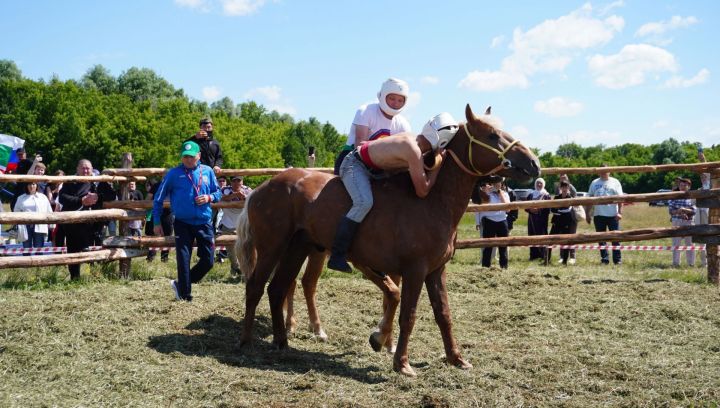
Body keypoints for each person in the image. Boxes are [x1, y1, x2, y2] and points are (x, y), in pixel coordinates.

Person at [327, 113, 458, 272]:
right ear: (442, 140)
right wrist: (437, 169)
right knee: (363, 202)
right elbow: (422, 190)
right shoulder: (414, 150)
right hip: (354, 165)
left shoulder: (414, 140)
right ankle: (337, 254)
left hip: (375, 170)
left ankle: (374, 257)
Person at [152, 141, 222, 301]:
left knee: (208, 261)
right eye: (185, 157)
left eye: (191, 156)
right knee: (183, 259)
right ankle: (185, 294)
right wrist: (157, 222)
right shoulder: (174, 174)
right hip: (182, 223)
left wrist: (209, 197)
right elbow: (158, 198)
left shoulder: (208, 171)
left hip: (204, 222)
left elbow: (218, 193)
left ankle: (182, 283)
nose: (188, 160)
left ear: (199, 156)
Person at [333, 78, 412, 175]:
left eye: (400, 100)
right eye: (392, 98)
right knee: (364, 191)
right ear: (382, 96)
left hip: (383, 166)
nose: (396, 103)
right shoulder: (366, 111)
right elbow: (359, 145)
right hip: (353, 160)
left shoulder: (403, 124)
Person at [58, 159, 117, 280]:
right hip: (73, 224)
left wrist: (98, 196)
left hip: (94, 225)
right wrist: (81, 201)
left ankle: (97, 275)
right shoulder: (70, 182)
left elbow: (112, 195)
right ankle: (75, 278)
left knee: (94, 249)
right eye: (83, 168)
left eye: (88, 168)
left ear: (92, 169)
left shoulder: (98, 182)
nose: (86, 171)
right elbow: (62, 198)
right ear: (77, 169)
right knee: (73, 250)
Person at [586, 165, 624, 265]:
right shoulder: (594, 183)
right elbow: (589, 199)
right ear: (598, 172)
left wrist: (619, 212)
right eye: (601, 171)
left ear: (609, 171)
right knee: (601, 239)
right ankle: (605, 259)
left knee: (615, 238)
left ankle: (617, 259)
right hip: (598, 215)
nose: (604, 172)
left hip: (613, 215)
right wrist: (587, 214)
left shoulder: (615, 182)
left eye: (606, 171)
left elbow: (621, 199)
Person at [217, 176, 253, 275]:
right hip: (227, 224)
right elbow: (219, 197)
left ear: (242, 181)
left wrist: (244, 197)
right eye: (234, 180)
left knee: (245, 250)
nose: (237, 183)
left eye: (239, 180)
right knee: (231, 252)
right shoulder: (225, 189)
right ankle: (236, 268)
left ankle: (243, 271)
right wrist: (235, 195)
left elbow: (252, 200)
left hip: (243, 225)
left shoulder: (247, 189)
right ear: (231, 182)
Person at [477, 178, 510, 269]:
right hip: (489, 221)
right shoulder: (487, 194)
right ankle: (485, 268)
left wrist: (500, 194)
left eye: (498, 183)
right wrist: (486, 192)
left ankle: (504, 267)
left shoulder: (505, 194)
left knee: (503, 246)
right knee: (487, 247)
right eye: (494, 183)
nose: (496, 185)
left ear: (501, 184)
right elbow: (481, 204)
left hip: (502, 221)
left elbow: (507, 209)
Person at [13, 182, 53, 252]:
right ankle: (26, 263)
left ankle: (38, 262)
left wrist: (52, 224)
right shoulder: (20, 198)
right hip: (25, 226)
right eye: (29, 184)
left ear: (37, 186)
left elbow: (49, 211)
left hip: (39, 225)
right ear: (26, 186)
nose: (31, 186)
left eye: (34, 184)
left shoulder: (43, 197)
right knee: (26, 249)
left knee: (39, 248)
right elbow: (15, 212)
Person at [668, 176, 696, 267]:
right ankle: (676, 263)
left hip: (689, 222)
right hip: (677, 221)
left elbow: (694, 211)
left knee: (690, 243)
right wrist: (679, 212)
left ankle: (691, 263)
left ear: (689, 187)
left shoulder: (692, 197)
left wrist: (684, 210)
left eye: (685, 185)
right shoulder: (674, 196)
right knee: (676, 243)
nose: (682, 187)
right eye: (681, 185)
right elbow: (671, 211)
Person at [548, 181, 577, 265]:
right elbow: (552, 210)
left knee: (565, 242)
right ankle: (547, 260)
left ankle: (564, 261)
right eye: (563, 187)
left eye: (566, 187)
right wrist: (561, 210)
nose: (564, 189)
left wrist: (559, 209)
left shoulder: (570, 198)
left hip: (567, 223)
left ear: (568, 188)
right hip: (556, 222)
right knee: (549, 240)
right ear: (560, 188)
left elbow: (568, 210)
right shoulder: (556, 197)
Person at [145, 178, 173, 263]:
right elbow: (148, 199)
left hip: (168, 214)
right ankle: (150, 257)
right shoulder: (156, 185)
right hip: (156, 213)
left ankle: (164, 258)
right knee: (153, 235)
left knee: (167, 236)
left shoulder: (173, 186)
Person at [525, 177, 551, 262]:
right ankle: (533, 255)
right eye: (537, 183)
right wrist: (530, 210)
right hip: (532, 219)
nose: (539, 184)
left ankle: (543, 255)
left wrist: (539, 210)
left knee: (542, 236)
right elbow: (525, 207)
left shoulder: (546, 195)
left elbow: (548, 209)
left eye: (541, 183)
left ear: (543, 184)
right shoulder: (531, 195)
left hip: (542, 220)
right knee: (532, 236)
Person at [696, 148, 710, 267]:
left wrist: (701, 156)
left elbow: (704, 167)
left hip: (712, 214)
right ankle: (704, 262)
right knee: (703, 238)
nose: (702, 177)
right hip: (703, 215)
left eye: (703, 176)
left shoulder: (710, 183)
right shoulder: (701, 188)